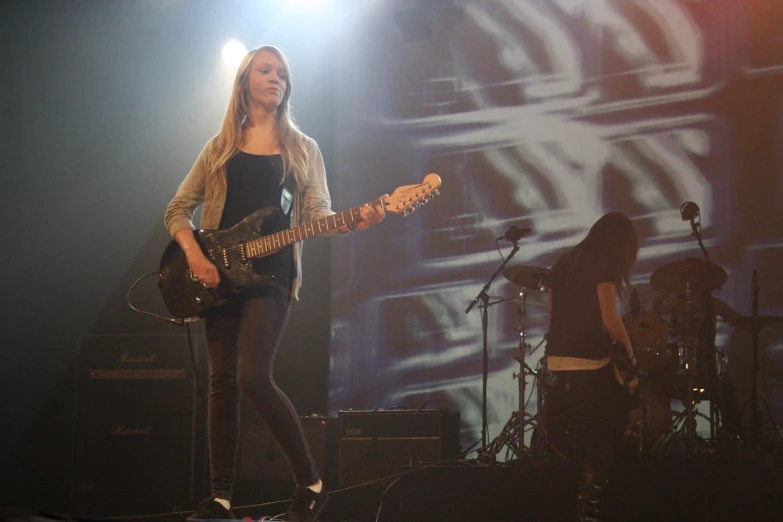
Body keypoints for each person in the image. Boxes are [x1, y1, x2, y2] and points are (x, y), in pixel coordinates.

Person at [164, 45, 385, 521]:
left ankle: (311, 482)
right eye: (265, 71)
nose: (276, 79)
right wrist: (197, 258)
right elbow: (176, 209)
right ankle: (220, 498)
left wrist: (354, 221)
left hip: (273, 275)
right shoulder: (219, 147)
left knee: (251, 377)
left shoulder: (304, 149)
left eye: (283, 74)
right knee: (222, 384)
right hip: (218, 275)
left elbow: (319, 215)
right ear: (244, 81)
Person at [544, 212, 639, 522]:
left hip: (557, 356)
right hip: (588, 357)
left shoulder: (564, 262)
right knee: (609, 415)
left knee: (583, 418)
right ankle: (591, 503)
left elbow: (551, 316)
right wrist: (631, 359)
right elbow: (611, 320)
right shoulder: (602, 264)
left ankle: (579, 485)